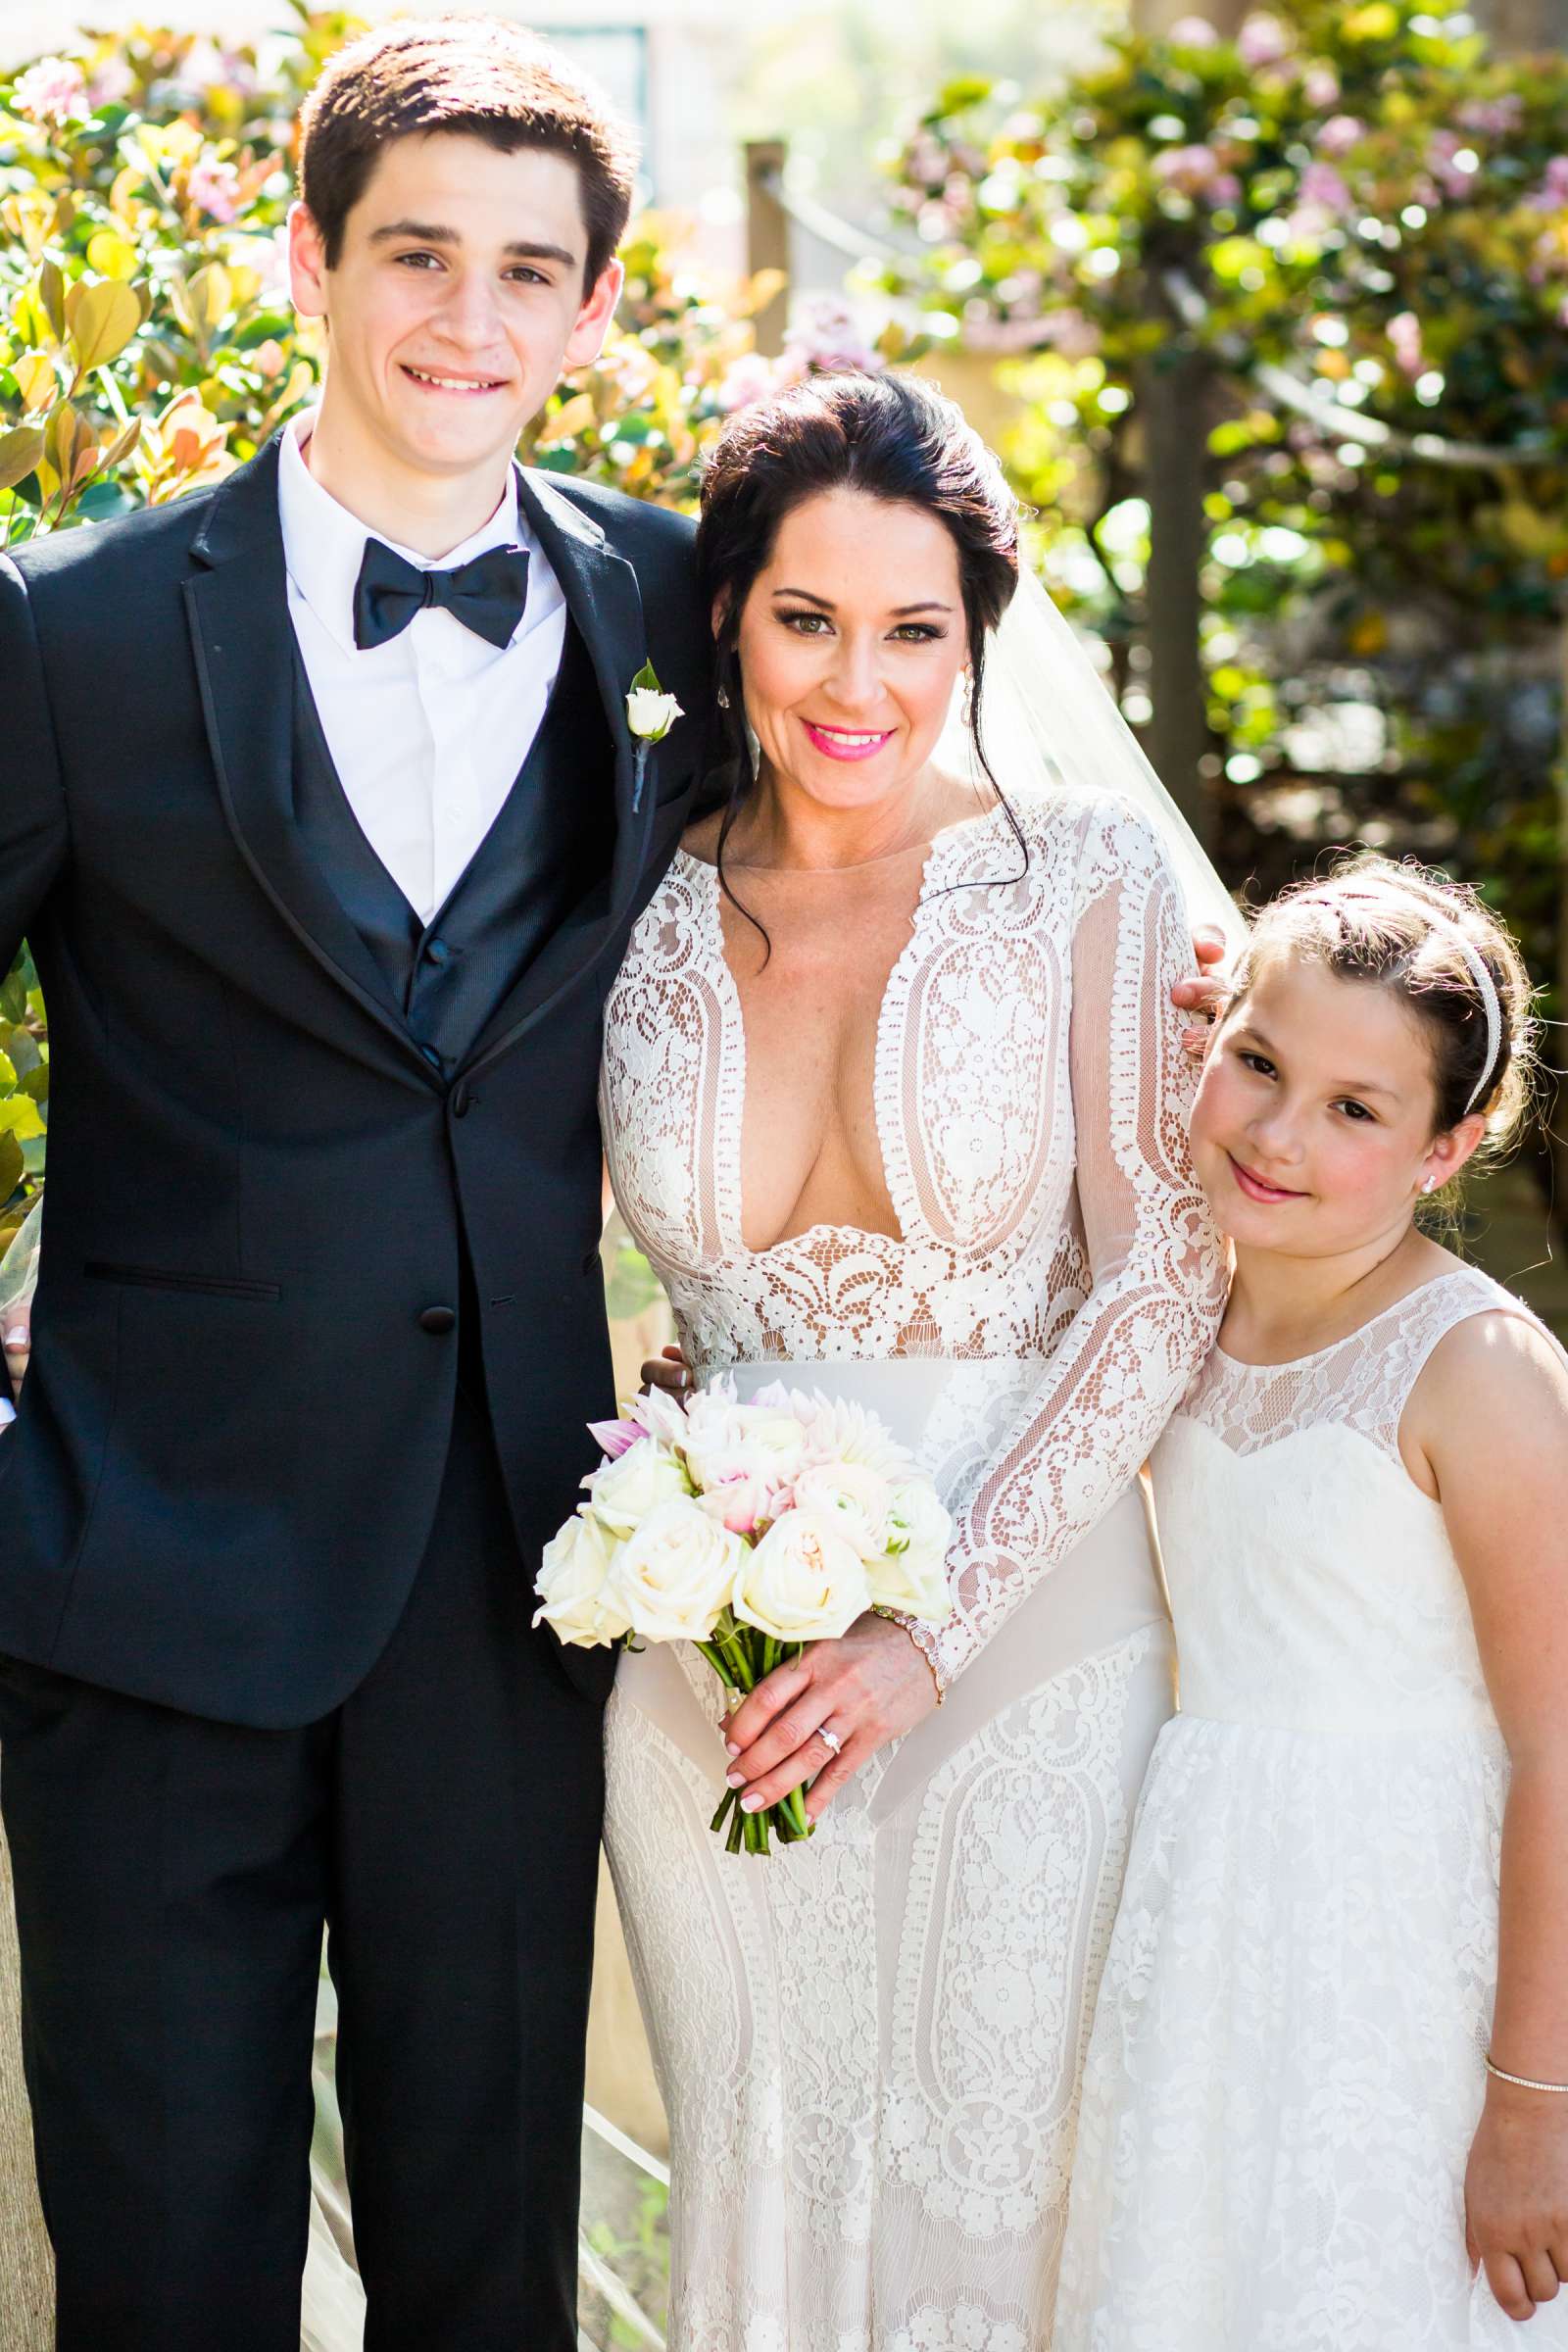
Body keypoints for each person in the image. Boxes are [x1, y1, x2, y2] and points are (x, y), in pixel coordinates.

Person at [0, 19, 709, 2348]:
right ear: (309, 257)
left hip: (514, 1569)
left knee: (482, 2254)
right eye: (416, 255)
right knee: (169, 2256)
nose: (468, 322)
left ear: (593, 310)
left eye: (529, 272)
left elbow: (891, 867)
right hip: (138, 1564)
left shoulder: (684, 617)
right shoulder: (72, 625)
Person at [597, 368, 1233, 2348]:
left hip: (1026, 1646)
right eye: (803, 621)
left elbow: (1159, 1282)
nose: (850, 684)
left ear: (978, 632)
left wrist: (919, 1632)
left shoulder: (1090, 886)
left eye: (910, 630)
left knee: (1002, 2197)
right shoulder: (636, 891)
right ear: (727, 618)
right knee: (758, 2184)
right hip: (704, 1677)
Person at [1054, 857, 1568, 2349]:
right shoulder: (1175, 1321)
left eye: (1357, 1109)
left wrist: (1535, 2104)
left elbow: (1558, 1748)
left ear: (1447, 1147)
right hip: (1209, 1915)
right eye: (1258, 1066)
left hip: (1406, 1953)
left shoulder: (1473, 1368)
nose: (1280, 1135)